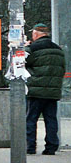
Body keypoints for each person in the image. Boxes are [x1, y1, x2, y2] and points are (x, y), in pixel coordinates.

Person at [25, 23, 65, 155]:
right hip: (52, 92)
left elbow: (23, 64)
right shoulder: (58, 50)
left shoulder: (33, 48)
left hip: (36, 91)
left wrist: (25, 48)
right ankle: (51, 147)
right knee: (51, 119)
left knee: (31, 119)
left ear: (36, 34)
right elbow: (62, 70)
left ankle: (30, 146)